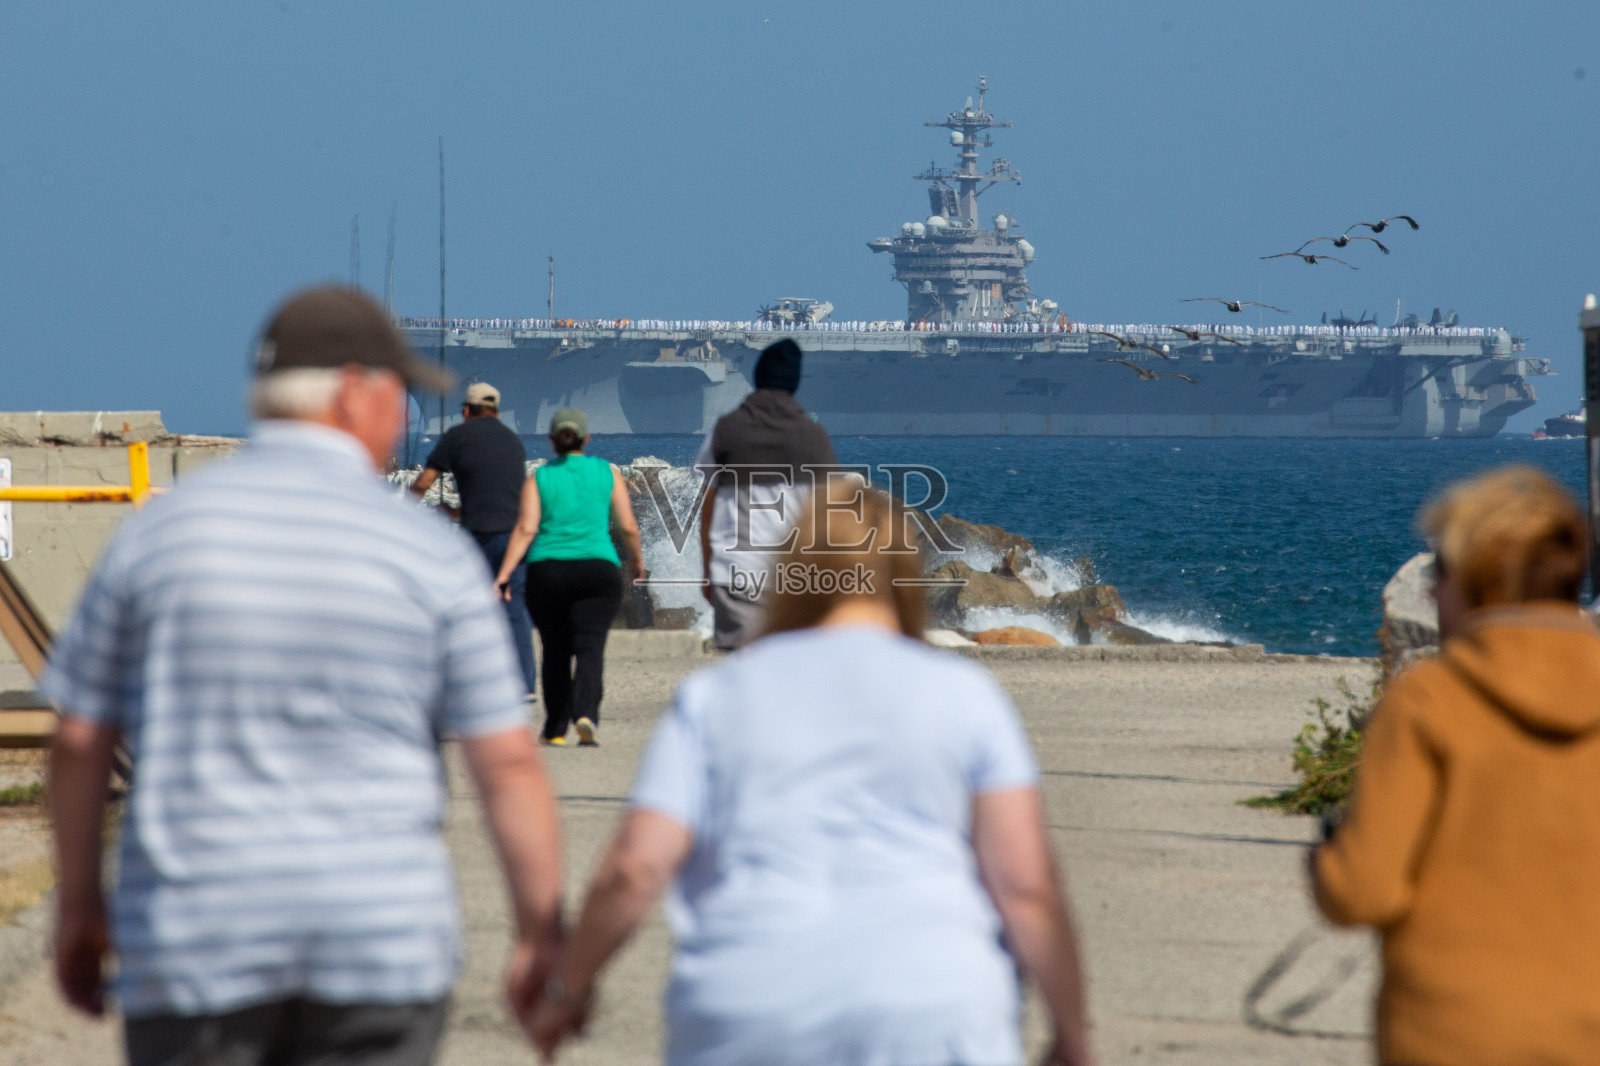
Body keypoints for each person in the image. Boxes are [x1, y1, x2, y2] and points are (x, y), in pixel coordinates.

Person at [45, 285, 564, 1066]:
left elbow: (80, 738)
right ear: (357, 390)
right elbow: (509, 759)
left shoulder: (155, 534)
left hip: (194, 950)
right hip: (379, 949)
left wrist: (79, 905)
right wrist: (540, 933)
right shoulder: (430, 555)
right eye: (397, 393)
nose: (402, 417)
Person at [528, 480, 1098, 1066]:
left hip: (749, 1006)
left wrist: (567, 987)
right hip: (933, 1005)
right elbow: (1027, 888)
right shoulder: (966, 695)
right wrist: (1072, 1035)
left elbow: (635, 868)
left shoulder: (717, 696)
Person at [1313, 465, 1600, 1066]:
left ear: (1474, 578)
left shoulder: (1429, 702)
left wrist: (1328, 855)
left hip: (1450, 1034)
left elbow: (1363, 891)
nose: (1434, 589)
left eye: (1440, 570)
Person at [496, 407, 643, 748]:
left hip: (547, 570)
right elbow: (628, 527)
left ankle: (555, 729)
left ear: (551, 442)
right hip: (598, 568)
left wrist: (503, 574)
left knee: (555, 650)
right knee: (591, 648)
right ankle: (586, 715)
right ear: (586, 438)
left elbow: (526, 528)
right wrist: (637, 563)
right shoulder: (608, 471)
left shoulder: (539, 477)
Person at [696, 337, 837, 651]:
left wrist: (706, 569)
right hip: (797, 578)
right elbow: (830, 517)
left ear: (757, 376)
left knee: (743, 674)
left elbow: (708, 504)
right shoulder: (815, 438)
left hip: (735, 574)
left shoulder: (725, 430)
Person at [410, 381, 539, 700]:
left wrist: (404, 511)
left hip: (478, 540)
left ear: (466, 410)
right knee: (514, 607)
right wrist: (457, 511)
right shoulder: (513, 442)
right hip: (513, 539)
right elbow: (498, 496)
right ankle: (524, 683)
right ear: (495, 410)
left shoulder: (457, 437)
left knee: (467, 609)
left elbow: (425, 481)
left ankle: (471, 680)